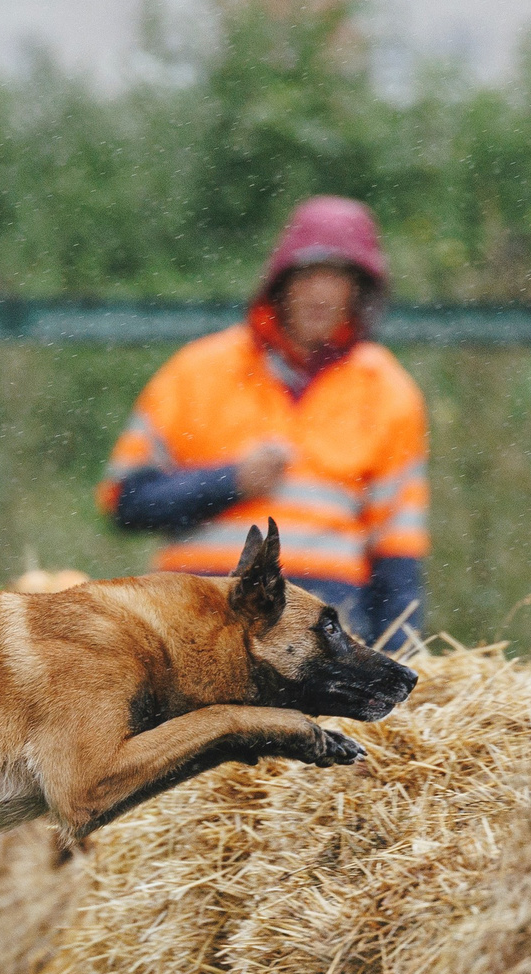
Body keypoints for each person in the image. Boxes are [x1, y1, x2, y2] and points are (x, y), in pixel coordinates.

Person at [98, 195, 429, 651]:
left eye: (338, 277)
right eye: (308, 275)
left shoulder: (389, 389)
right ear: (281, 282)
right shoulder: (197, 370)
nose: (321, 293)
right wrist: (230, 481)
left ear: (360, 292)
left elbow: (397, 551)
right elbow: (125, 502)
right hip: (196, 620)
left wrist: (403, 659)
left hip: (325, 630)